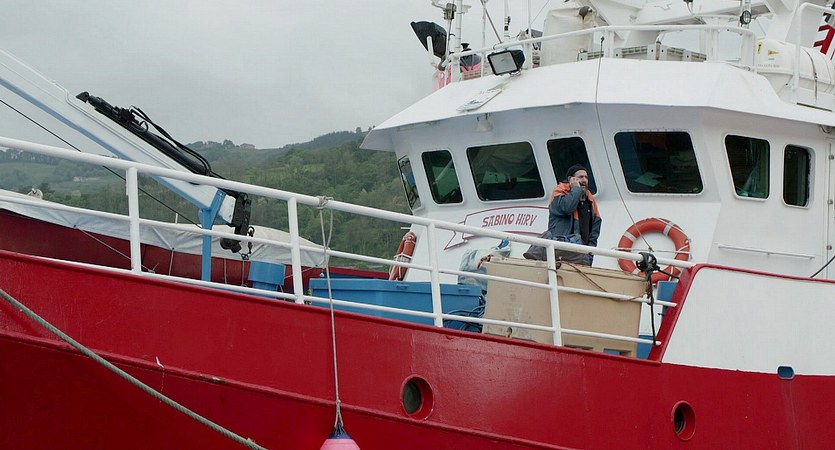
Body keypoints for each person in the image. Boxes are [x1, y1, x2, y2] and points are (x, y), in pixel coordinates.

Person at [547, 165, 601, 264]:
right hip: (561, 251)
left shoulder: (590, 200)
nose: (584, 180)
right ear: (570, 179)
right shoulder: (559, 193)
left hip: (583, 254)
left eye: (586, 177)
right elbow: (567, 208)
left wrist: (590, 251)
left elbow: (596, 226)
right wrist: (576, 189)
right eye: (580, 177)